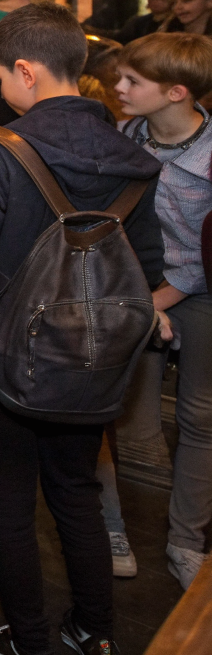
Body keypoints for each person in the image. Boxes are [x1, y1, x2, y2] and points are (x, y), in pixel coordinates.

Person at [0, 3, 164, 655]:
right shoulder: (136, 160)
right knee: (75, 491)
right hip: (96, 364)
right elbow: (149, 267)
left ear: (25, 71)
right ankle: (98, 635)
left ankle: (30, 649)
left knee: (8, 500)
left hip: (8, 359)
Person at [113, 33, 212, 590]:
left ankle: (186, 540)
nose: (119, 88)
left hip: (198, 291)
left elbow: (206, 254)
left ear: (177, 93)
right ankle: (111, 528)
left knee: (200, 418)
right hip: (139, 286)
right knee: (121, 413)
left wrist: (159, 301)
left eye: (133, 82)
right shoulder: (126, 136)